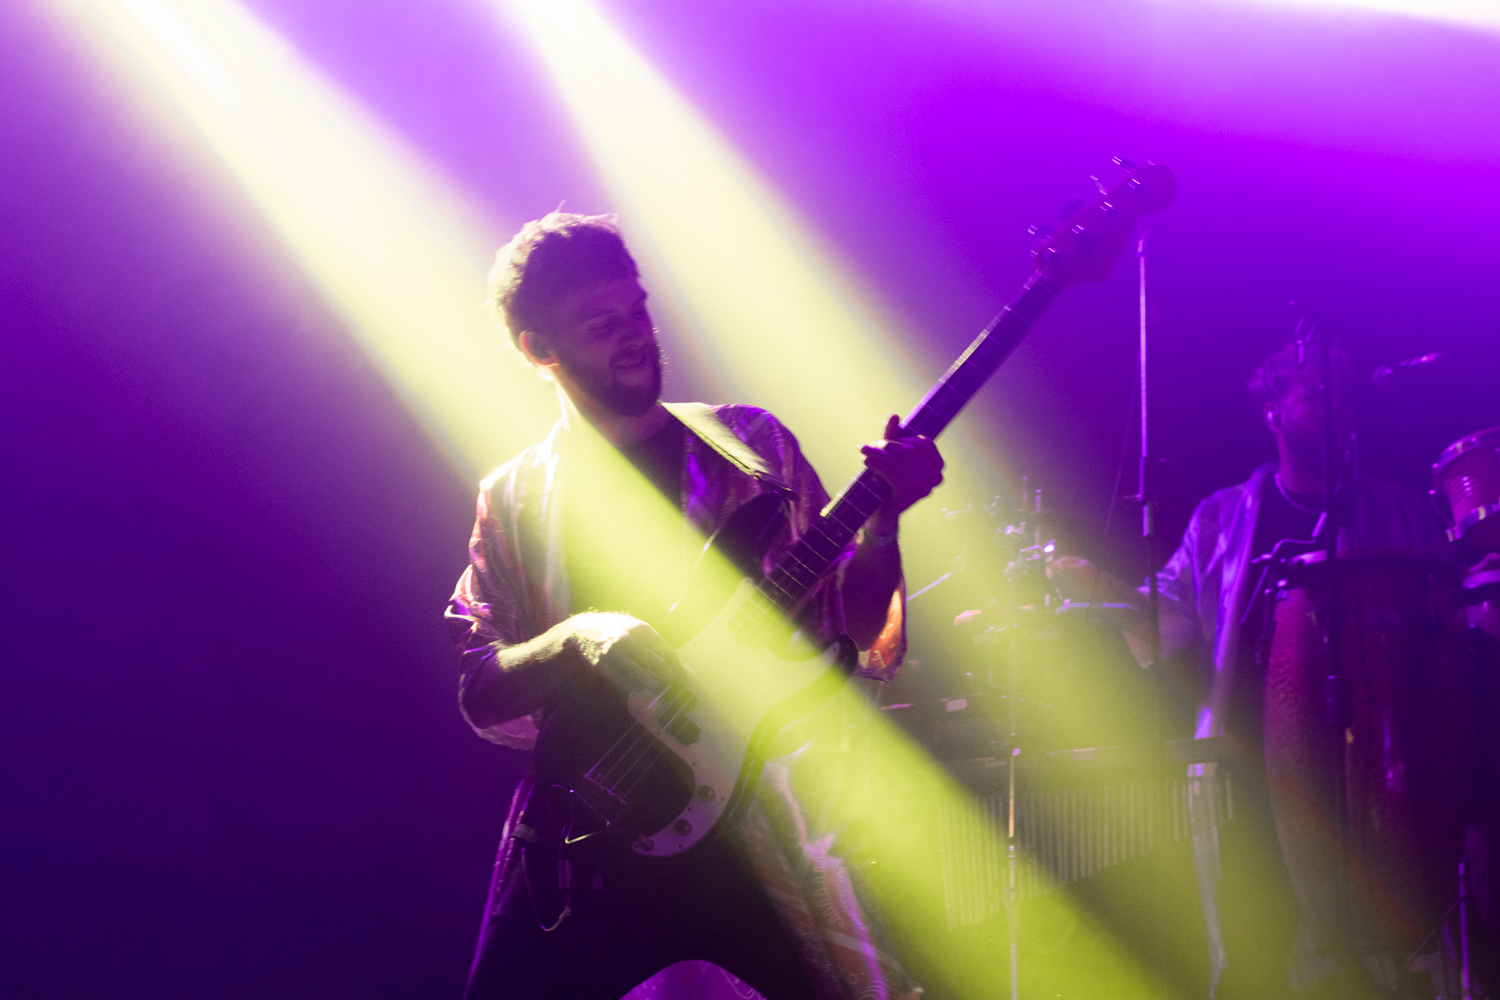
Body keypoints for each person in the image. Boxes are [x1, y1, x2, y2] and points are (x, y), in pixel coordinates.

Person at [445, 213, 943, 1000]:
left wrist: (884, 526)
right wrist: (577, 638)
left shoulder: (751, 449)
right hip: (586, 835)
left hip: (758, 825)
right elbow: (481, 690)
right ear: (539, 350)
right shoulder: (513, 498)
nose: (636, 335)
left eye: (637, 309)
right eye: (603, 325)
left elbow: (849, 632)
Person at [1052, 339, 1454, 999]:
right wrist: (1098, 586)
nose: (1337, 407)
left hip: (1372, 769)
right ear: (1273, 411)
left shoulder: (1401, 510)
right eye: (1316, 394)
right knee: (1256, 952)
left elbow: (1441, 630)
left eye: (1344, 393)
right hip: (1246, 766)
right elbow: (1169, 616)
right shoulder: (1222, 517)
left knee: (1383, 950)